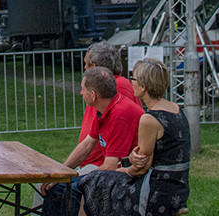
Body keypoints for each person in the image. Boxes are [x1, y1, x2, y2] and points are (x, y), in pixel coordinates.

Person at [78, 58, 190, 216]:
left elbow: (140, 169)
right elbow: (150, 155)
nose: (131, 82)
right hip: (178, 187)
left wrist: (124, 170)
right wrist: (132, 157)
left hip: (156, 192)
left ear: (143, 86)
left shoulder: (149, 119)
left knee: (93, 182)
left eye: (134, 79)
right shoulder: (176, 109)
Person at [40, 67, 144, 216]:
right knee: (57, 187)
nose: (81, 93)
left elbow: (110, 166)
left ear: (93, 95)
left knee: (67, 190)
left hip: (129, 178)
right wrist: (62, 172)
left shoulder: (120, 115)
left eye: (83, 89)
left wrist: (75, 179)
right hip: (115, 173)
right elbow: (87, 144)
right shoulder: (104, 108)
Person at [78, 42, 143, 171]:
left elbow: (119, 136)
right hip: (95, 163)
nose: (84, 67)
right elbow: (90, 140)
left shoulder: (117, 89)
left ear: (94, 67)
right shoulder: (102, 90)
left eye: (86, 64)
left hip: (102, 164)